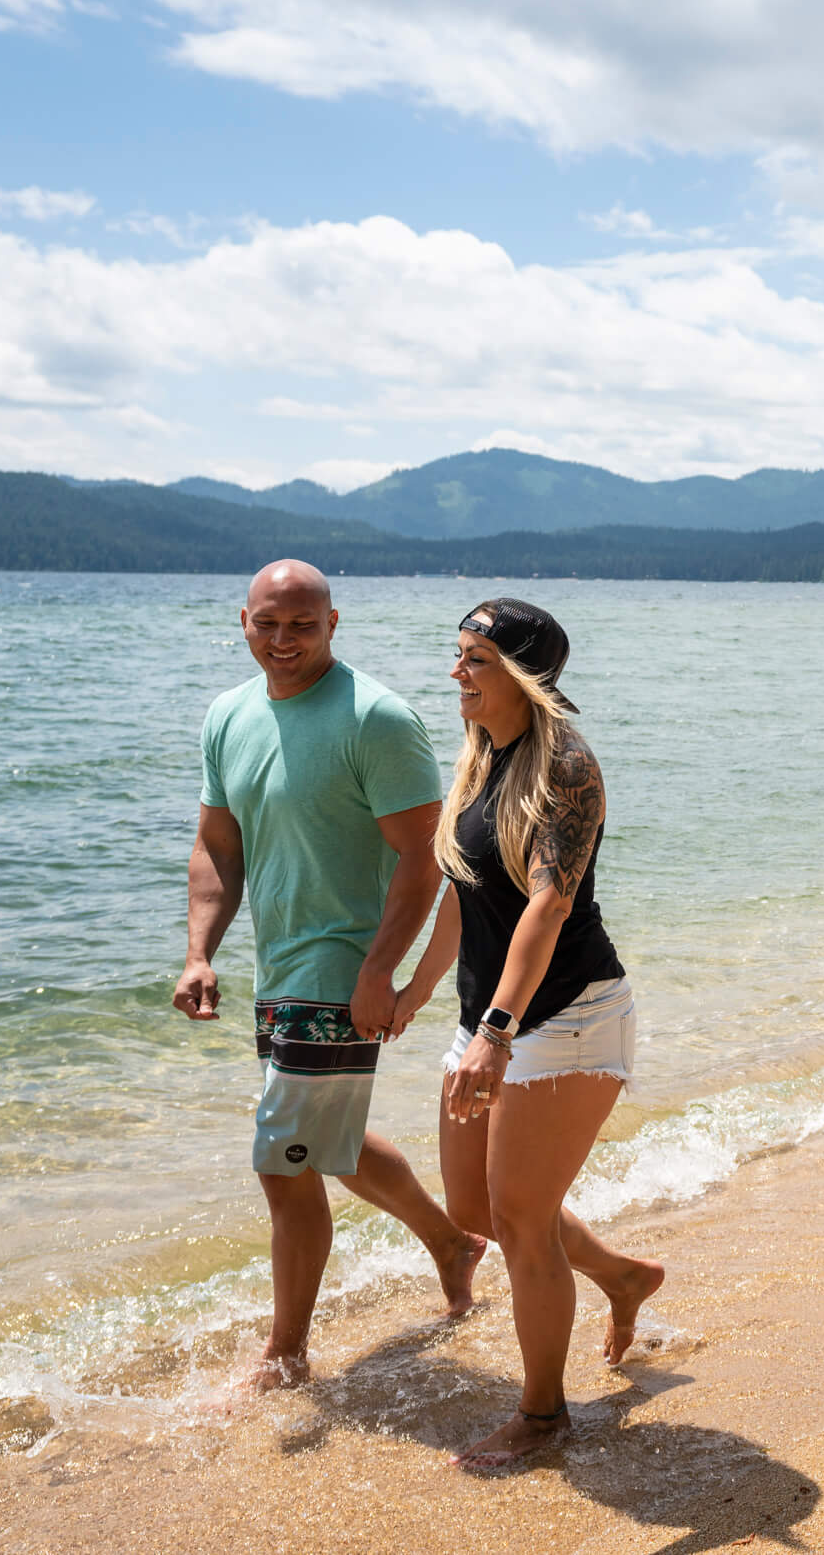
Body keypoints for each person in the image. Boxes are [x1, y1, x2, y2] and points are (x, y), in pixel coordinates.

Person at [173, 559, 488, 1392]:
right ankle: (453, 1243)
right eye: (268, 625)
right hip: (278, 967)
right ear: (243, 620)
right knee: (322, 1145)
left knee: (282, 1161)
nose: (283, 642)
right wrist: (201, 950)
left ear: (334, 624)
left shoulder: (376, 718)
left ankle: (285, 1357)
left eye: (302, 626)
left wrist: (382, 973)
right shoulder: (227, 716)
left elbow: (424, 864)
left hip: (342, 968)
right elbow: (219, 846)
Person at [395, 597, 665, 1468]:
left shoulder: (565, 769)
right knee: (478, 1210)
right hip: (493, 1014)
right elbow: (463, 891)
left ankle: (544, 1417)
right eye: (458, 654)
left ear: (519, 674)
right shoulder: (481, 756)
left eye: (473, 659)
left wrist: (498, 1033)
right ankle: (622, 1276)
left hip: (569, 1015)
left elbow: (546, 906)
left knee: (519, 1221)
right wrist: (415, 991)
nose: (456, 673)